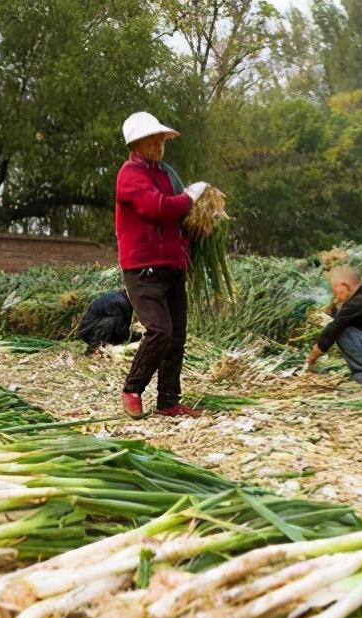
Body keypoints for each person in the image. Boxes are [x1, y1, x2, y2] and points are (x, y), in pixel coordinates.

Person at [115, 111, 209, 419]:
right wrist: (190, 197)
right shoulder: (130, 174)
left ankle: (168, 400)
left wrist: (201, 223)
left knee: (177, 336)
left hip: (172, 263)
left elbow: (180, 215)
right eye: (152, 139)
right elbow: (157, 208)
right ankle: (132, 389)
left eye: (160, 138)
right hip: (143, 267)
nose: (158, 143)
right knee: (160, 331)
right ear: (138, 143)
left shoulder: (167, 172)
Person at [305, 266, 362, 384]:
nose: (334, 295)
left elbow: (333, 329)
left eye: (334, 289)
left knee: (342, 330)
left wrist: (312, 358)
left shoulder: (358, 302)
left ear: (344, 287)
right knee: (341, 325)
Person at [77, 289, 141, 354]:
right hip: (91, 330)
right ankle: (96, 346)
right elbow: (120, 328)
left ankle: (102, 346)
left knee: (114, 323)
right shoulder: (119, 302)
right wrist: (134, 337)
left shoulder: (120, 297)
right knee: (111, 322)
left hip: (92, 327)